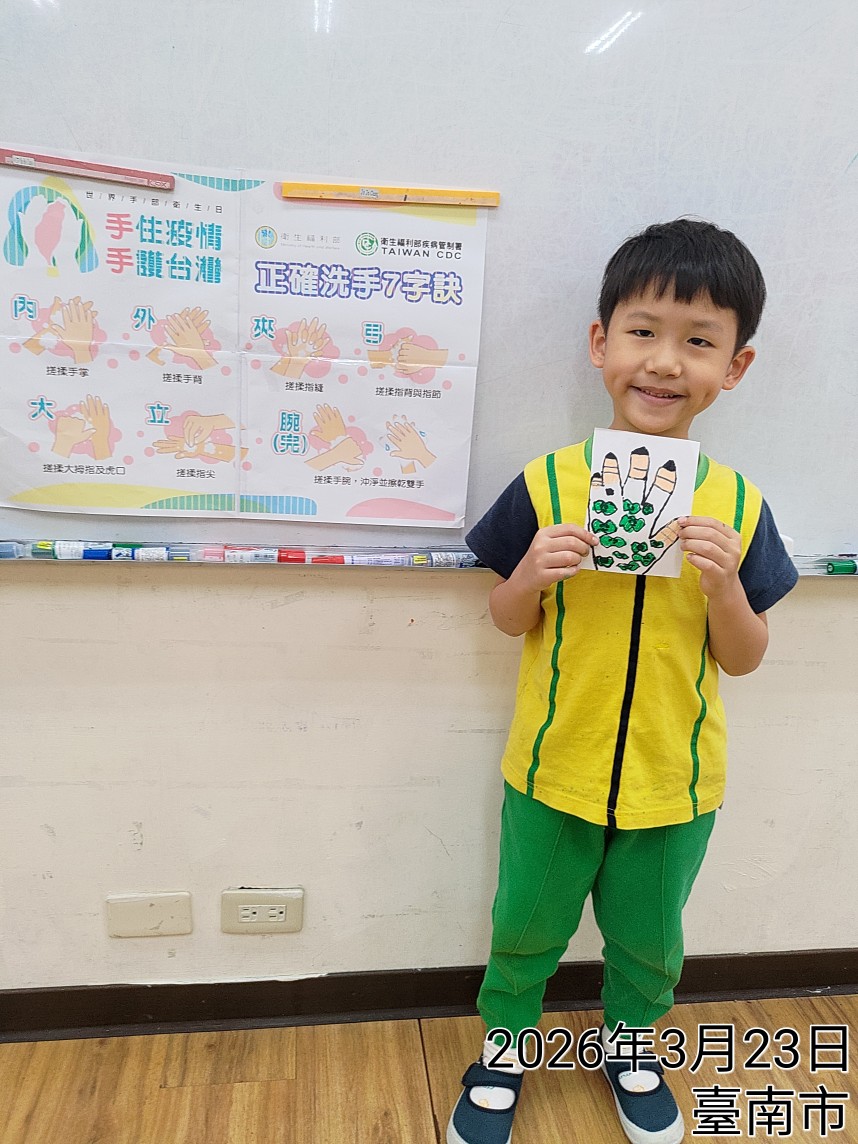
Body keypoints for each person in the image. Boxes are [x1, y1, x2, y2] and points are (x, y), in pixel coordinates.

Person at [447, 219, 798, 1144]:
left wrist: (726, 589)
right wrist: (529, 575)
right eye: (643, 331)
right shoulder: (547, 484)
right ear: (601, 343)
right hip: (552, 768)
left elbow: (745, 657)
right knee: (525, 925)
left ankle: (632, 1044)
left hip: (673, 781)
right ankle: (506, 1048)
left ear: (735, 366)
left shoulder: (739, 506)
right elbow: (506, 619)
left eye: (699, 341)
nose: (666, 362)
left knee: (650, 939)